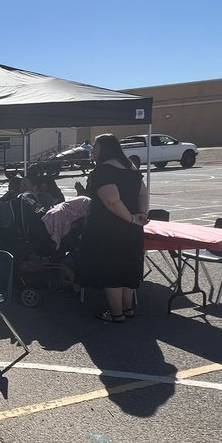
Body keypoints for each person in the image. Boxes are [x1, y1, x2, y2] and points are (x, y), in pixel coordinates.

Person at [78, 134, 149, 322]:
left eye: (95, 148)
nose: (93, 152)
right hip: (132, 229)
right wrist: (141, 214)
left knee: (112, 270)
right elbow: (143, 193)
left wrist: (132, 218)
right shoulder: (131, 167)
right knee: (128, 267)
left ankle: (116, 313)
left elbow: (112, 201)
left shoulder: (103, 170)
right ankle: (127, 308)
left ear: (105, 150)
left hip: (110, 228)